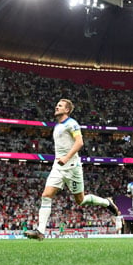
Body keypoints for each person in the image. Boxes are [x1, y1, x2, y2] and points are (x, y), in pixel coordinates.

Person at [25, 99, 119, 241]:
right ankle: (40, 231)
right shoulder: (57, 126)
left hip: (72, 167)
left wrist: (67, 157)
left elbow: (79, 142)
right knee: (46, 195)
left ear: (67, 110)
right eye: (57, 104)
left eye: (60, 105)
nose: (57, 106)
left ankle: (107, 202)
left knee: (80, 200)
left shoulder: (72, 124)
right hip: (58, 167)